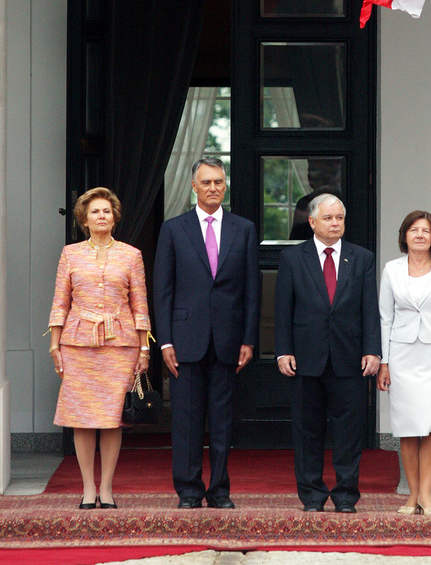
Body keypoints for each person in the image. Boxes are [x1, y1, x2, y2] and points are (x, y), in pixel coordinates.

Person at [153, 157, 260, 509]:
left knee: (223, 421)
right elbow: (163, 288)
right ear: (194, 187)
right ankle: (188, 490)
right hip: (184, 339)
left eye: (218, 182)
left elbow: (251, 289)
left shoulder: (243, 228)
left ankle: (219, 491)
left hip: (229, 339)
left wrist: (248, 338)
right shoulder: (173, 228)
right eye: (206, 182)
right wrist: (164, 340)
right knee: (185, 419)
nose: (213, 187)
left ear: (224, 186)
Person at [274, 193, 381, 512]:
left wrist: (372, 350)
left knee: (348, 432)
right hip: (306, 358)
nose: (335, 224)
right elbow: (283, 309)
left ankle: (346, 495)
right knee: (308, 431)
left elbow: (369, 309)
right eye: (328, 218)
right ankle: (312, 495)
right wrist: (283, 351)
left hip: (350, 358)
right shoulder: (293, 258)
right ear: (312, 222)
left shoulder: (361, 257)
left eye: (340, 218)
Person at [47, 187, 151, 509]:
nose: (102, 216)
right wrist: (54, 345)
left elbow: (140, 305)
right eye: (95, 212)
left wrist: (144, 350)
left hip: (119, 346)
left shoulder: (131, 255)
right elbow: (61, 301)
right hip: (77, 345)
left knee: (111, 418)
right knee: (82, 417)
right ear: (84, 219)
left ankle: (106, 488)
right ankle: (87, 489)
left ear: (115, 217)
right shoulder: (71, 254)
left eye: (107, 211)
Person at [377, 210, 431, 516]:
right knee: (407, 427)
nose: (419, 235)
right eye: (414, 229)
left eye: (425, 231)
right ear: (404, 235)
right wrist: (384, 363)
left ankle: (427, 495)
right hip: (401, 357)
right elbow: (385, 318)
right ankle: (412, 495)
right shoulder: (392, 269)